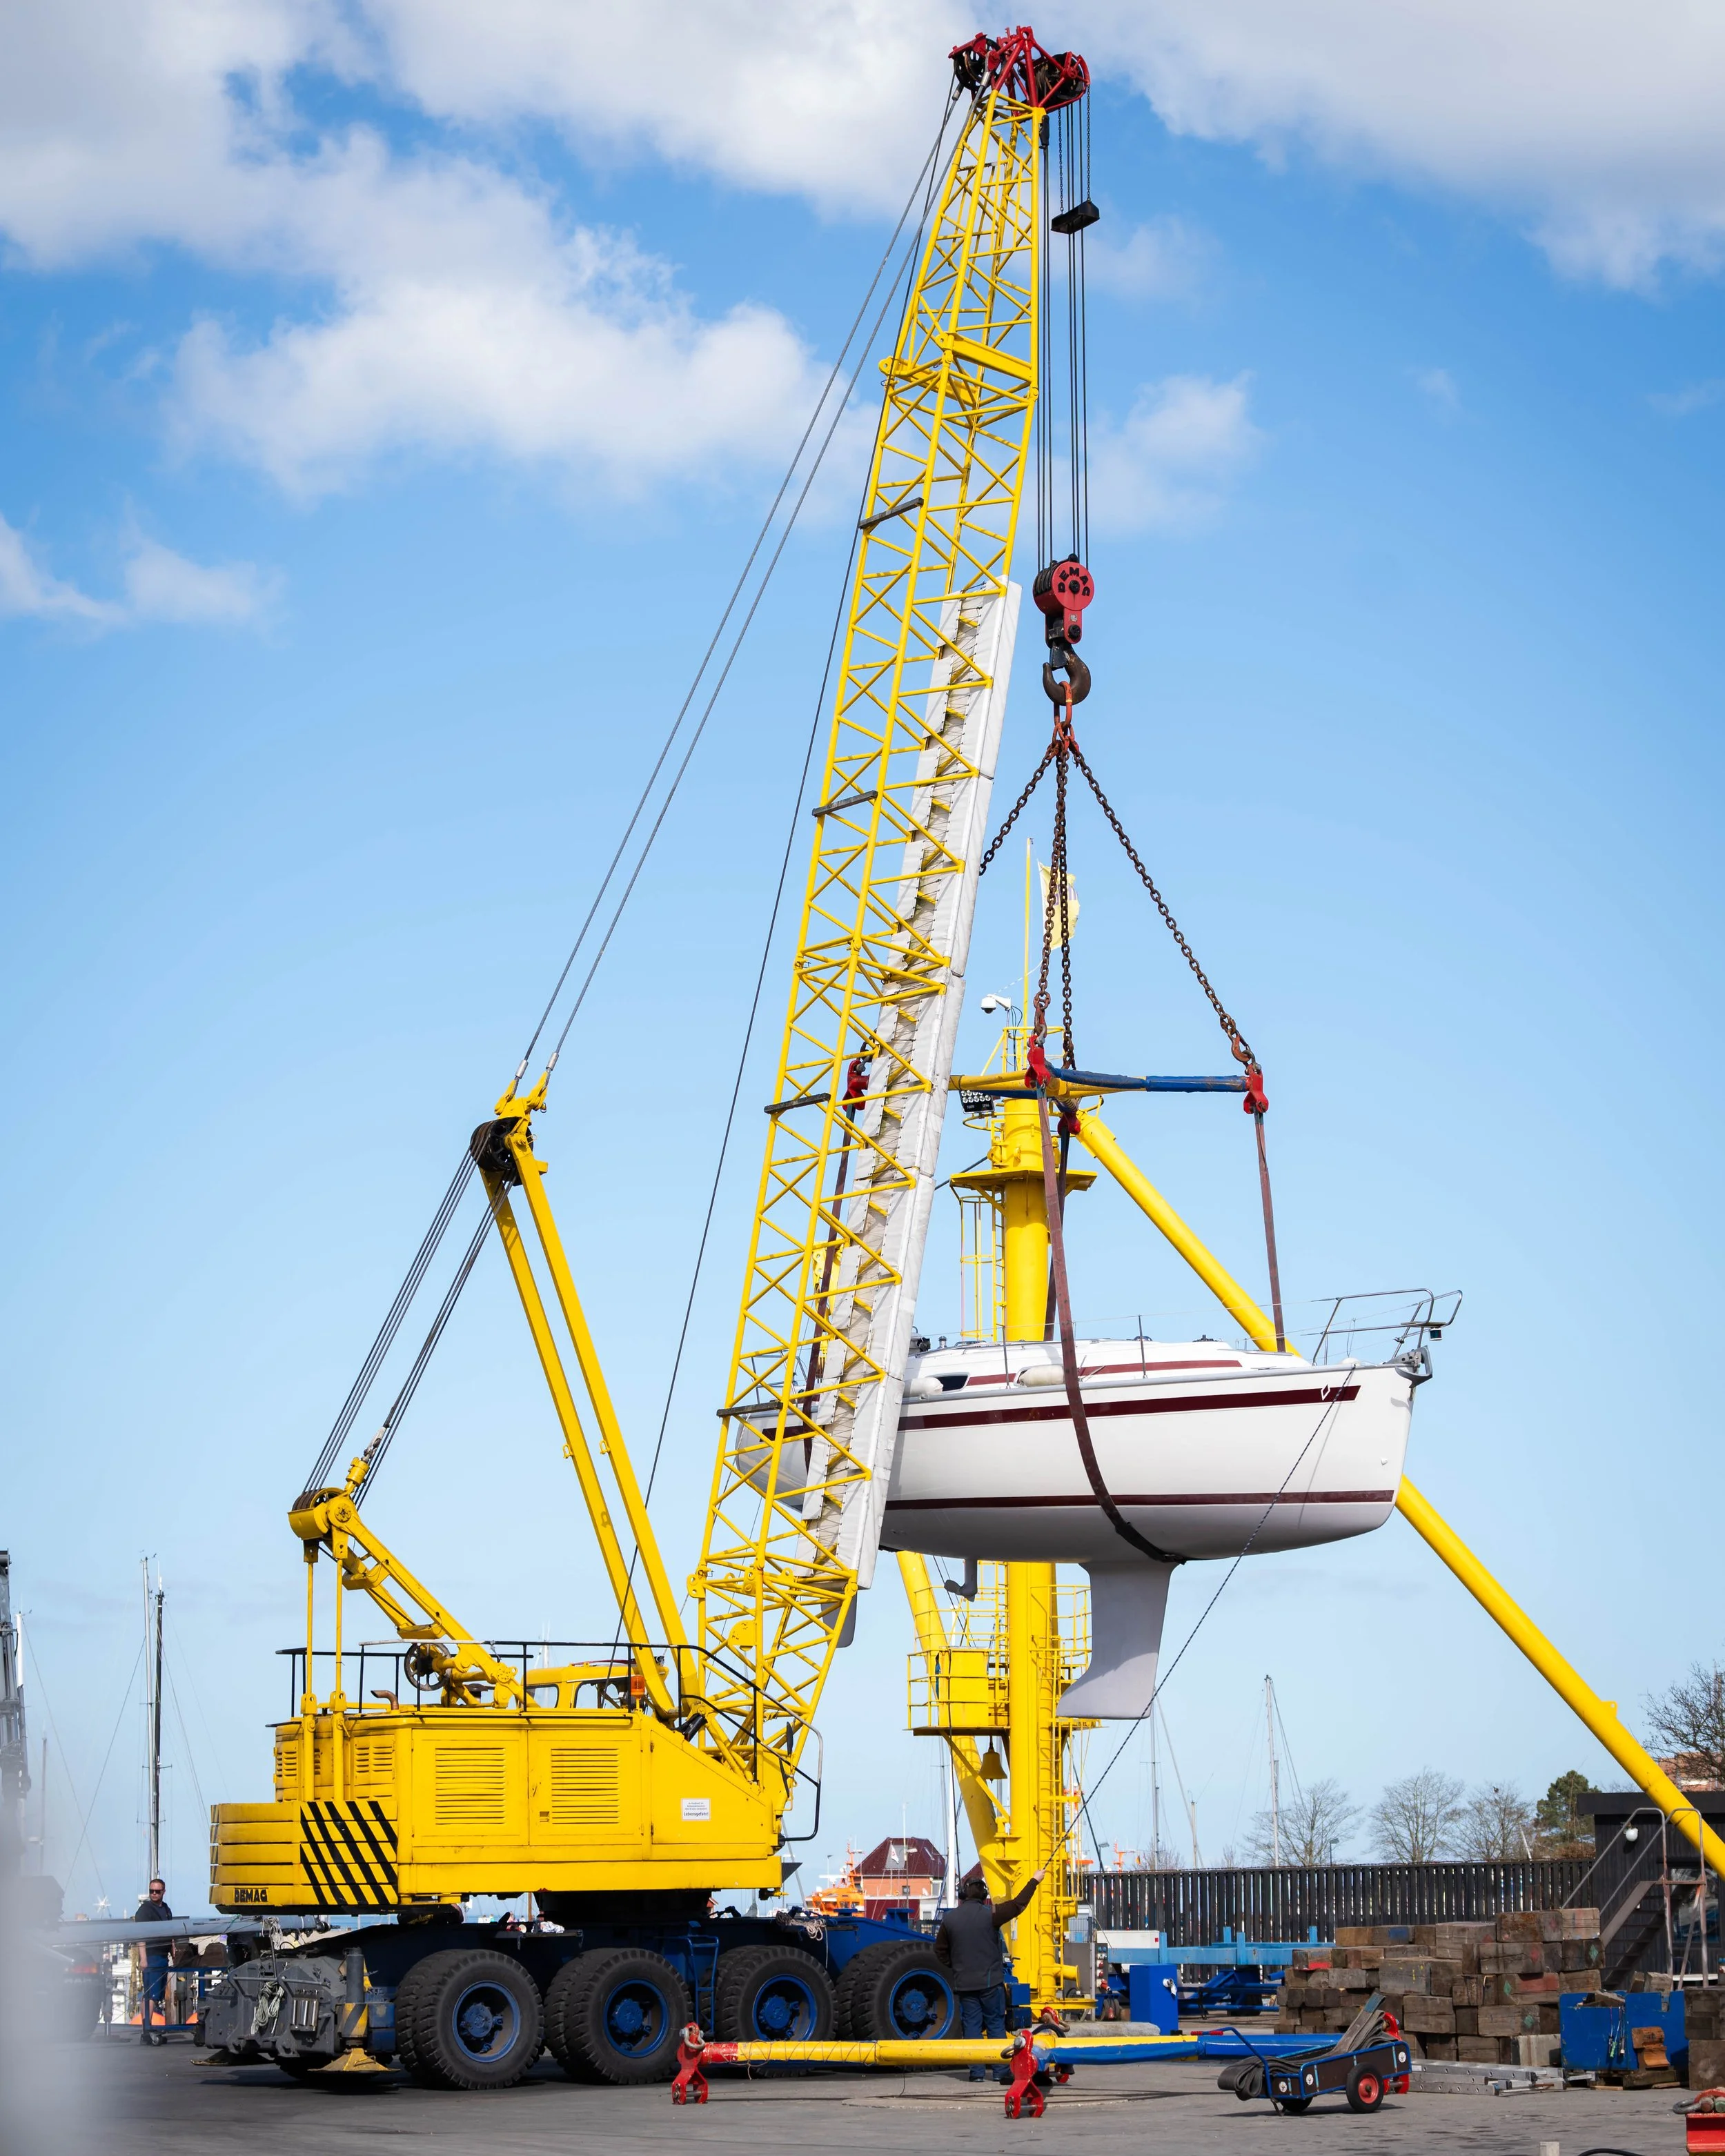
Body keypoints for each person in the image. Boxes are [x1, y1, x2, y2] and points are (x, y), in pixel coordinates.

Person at [933, 1866, 1045, 2081]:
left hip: (964, 1983)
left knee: (971, 2027)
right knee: (995, 2025)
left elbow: (940, 1951)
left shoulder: (950, 1919)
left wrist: (957, 1966)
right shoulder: (991, 1914)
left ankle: (976, 2073)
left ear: (963, 1895)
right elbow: (1018, 1905)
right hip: (990, 1982)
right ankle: (1000, 2072)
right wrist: (1034, 1880)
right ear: (984, 1895)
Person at [134, 1877, 172, 2045]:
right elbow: (140, 1935)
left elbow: (171, 1932)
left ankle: (149, 2028)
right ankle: (146, 2030)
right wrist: (143, 1959)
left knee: (157, 1995)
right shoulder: (145, 1911)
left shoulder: (166, 1909)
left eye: (157, 1891)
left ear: (163, 1892)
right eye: (152, 1891)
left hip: (163, 1956)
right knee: (151, 1994)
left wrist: (174, 1953)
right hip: (151, 1956)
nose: (154, 1894)